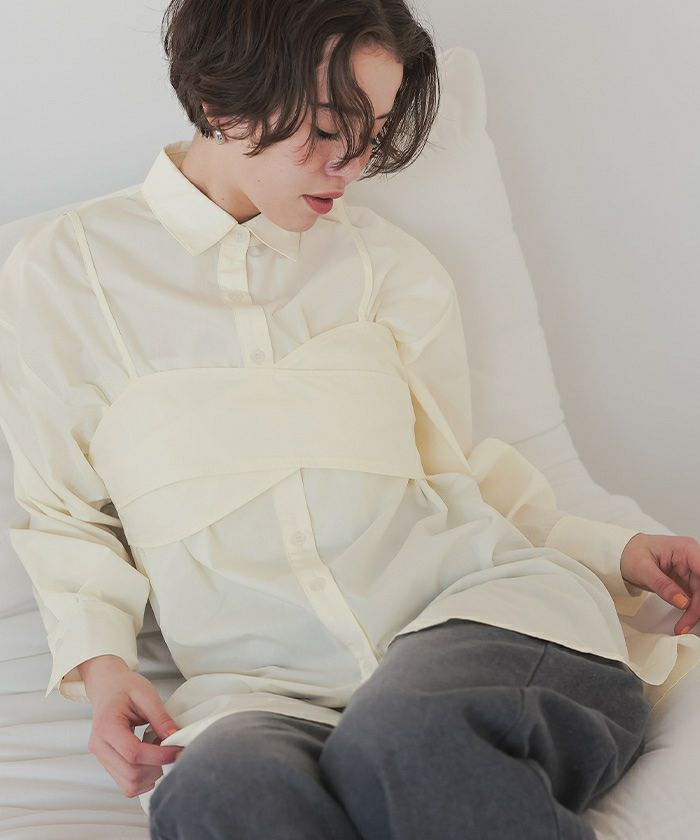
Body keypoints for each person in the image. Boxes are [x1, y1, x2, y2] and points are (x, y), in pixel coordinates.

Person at [2, 1, 699, 838]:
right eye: (330, 128)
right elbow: (63, 514)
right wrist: (104, 669)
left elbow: (462, 473)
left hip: (484, 624)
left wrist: (614, 552)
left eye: (372, 134)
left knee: (406, 737)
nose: (352, 165)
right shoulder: (64, 276)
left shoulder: (387, 269)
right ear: (221, 99)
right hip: (261, 697)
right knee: (218, 795)